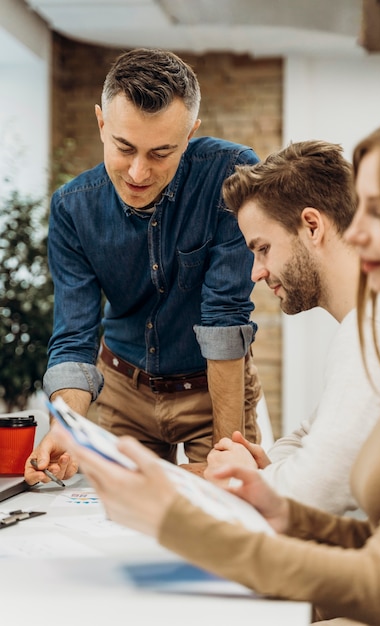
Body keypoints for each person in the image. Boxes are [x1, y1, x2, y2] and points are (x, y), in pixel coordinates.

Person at [58, 110, 380, 626]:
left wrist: (182, 522)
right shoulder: (372, 333)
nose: (355, 234)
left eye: (375, 212)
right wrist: (275, 499)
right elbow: (328, 469)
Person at [24, 47, 262, 485]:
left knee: (227, 510)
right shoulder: (72, 209)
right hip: (121, 392)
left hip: (212, 390)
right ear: (101, 123)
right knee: (109, 522)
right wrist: (66, 426)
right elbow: (75, 335)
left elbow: (225, 317)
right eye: (124, 147)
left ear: (190, 134)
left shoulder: (232, 175)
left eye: (161, 153)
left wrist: (228, 449)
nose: (138, 171)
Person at [205, 140, 380, 516]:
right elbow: (312, 434)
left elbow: (321, 485)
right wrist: (276, 469)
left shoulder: (376, 324)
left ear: (312, 226)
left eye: (262, 248)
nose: (256, 272)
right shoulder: (371, 319)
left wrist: (254, 479)